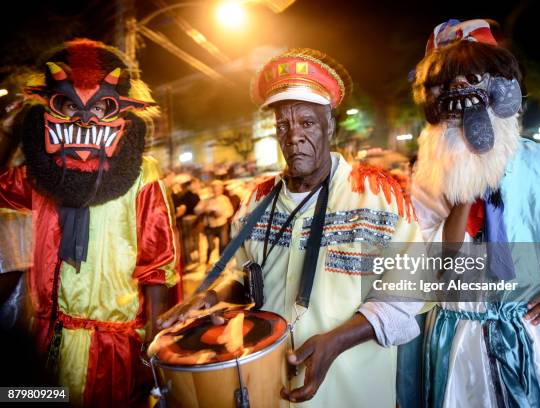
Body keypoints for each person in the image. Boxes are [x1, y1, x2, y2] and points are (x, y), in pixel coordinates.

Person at [159, 48, 425, 407]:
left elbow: (409, 291)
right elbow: (243, 274)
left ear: (330, 125)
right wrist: (209, 297)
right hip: (270, 390)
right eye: (283, 124)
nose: (294, 135)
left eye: (307, 122)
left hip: (351, 393)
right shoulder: (255, 203)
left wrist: (338, 339)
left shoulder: (378, 197)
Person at [405, 19, 540, 407]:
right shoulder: (427, 177)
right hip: (463, 345)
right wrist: (465, 180)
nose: (463, 89)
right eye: (450, 82)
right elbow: (438, 268)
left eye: (474, 76)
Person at [0, 39, 180, 407]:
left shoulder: (143, 175)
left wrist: (154, 347)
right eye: (70, 105)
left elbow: (158, 266)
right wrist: (9, 129)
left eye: (101, 107)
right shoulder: (35, 176)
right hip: (43, 341)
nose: (85, 119)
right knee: (26, 399)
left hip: (112, 349)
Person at [196, 179, 234, 264]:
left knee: (223, 245)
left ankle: (221, 263)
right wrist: (205, 210)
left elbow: (230, 211)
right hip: (209, 226)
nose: (216, 190)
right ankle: (207, 261)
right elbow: (196, 210)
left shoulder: (224, 199)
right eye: (214, 188)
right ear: (211, 189)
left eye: (218, 188)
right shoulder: (206, 199)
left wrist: (220, 214)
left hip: (221, 225)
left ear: (221, 189)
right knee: (210, 246)